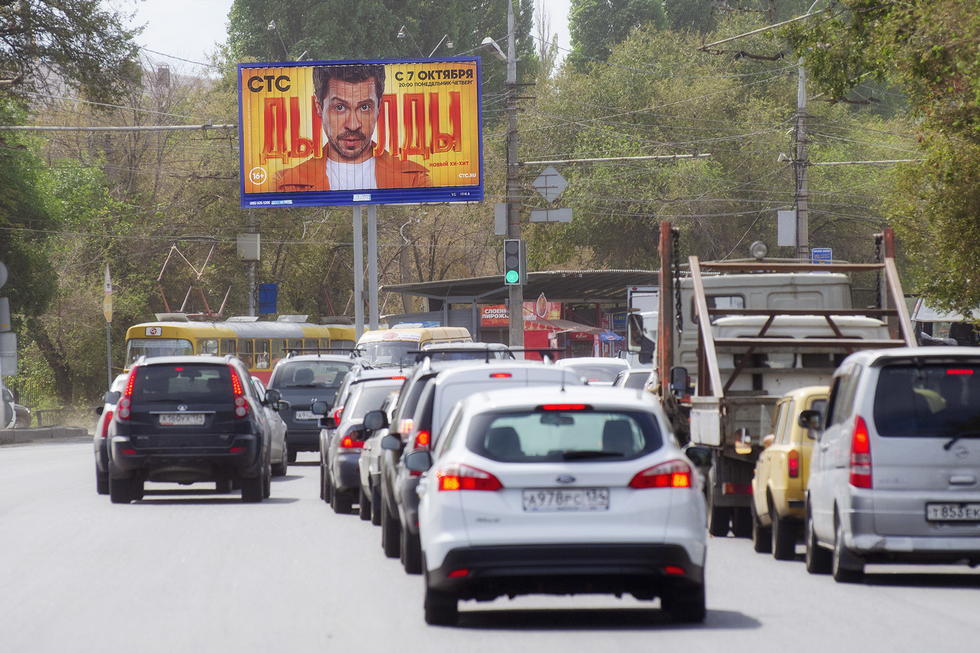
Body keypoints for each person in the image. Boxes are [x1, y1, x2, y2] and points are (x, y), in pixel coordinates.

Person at [276, 63, 431, 192]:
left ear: (379, 107)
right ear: (319, 107)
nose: (353, 125)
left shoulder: (415, 180)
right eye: (339, 107)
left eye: (364, 107)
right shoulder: (287, 184)